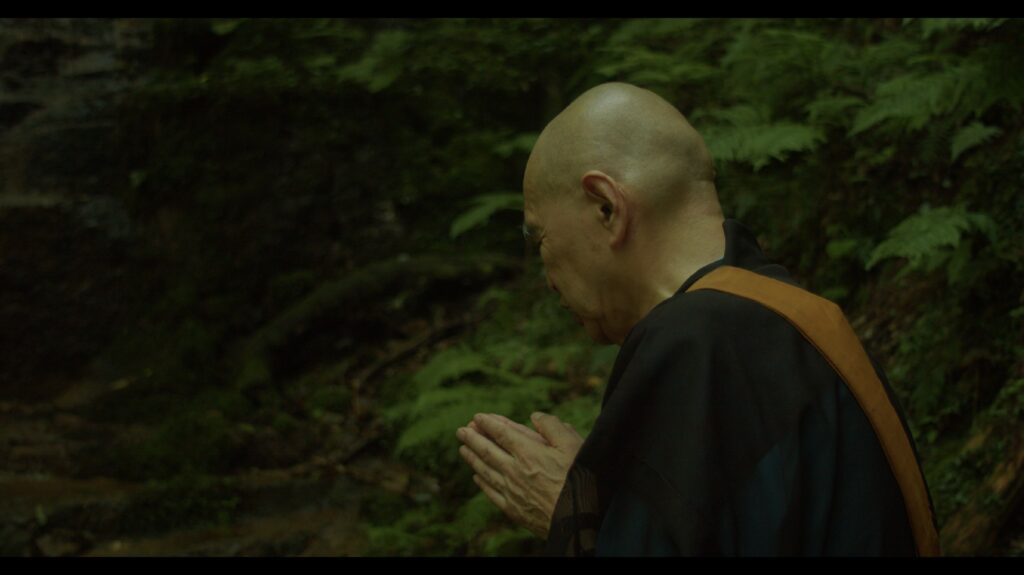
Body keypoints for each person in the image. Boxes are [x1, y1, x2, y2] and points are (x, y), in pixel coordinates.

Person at [454, 82, 937, 556]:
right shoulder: (797, 320)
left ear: (606, 207)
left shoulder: (696, 341)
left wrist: (569, 518)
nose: (547, 278)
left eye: (540, 239)